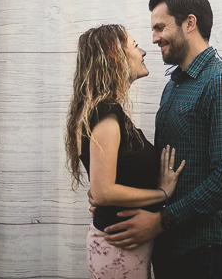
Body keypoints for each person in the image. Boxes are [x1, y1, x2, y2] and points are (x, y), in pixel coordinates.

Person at [101, 0, 222, 279]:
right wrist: (108, 190)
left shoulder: (221, 82)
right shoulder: (174, 85)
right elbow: (166, 161)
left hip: (203, 246)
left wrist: (162, 220)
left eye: (160, 27)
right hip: (167, 243)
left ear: (189, 23)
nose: (154, 38)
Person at [65, 24, 186, 279]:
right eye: (134, 45)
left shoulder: (105, 111)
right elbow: (103, 191)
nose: (142, 51)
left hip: (123, 246)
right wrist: (162, 194)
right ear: (115, 57)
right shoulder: (106, 112)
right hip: (117, 247)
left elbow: (104, 184)